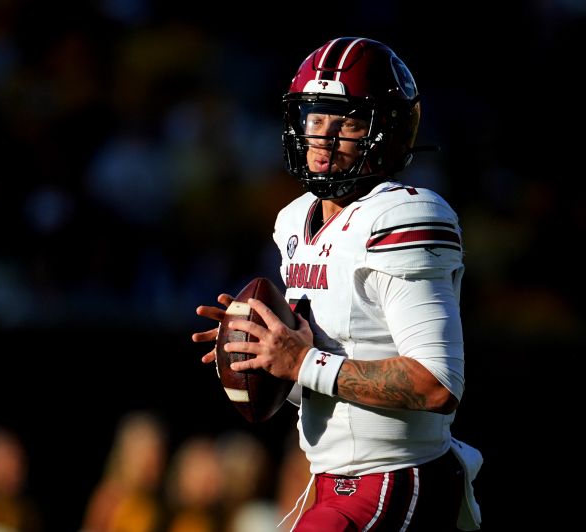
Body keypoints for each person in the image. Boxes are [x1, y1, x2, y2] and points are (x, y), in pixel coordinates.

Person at [192, 36, 481, 531]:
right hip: (328, 479)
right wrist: (265, 358)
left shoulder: (405, 214)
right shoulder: (292, 220)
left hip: (396, 477)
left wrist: (302, 361)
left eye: (347, 121)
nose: (323, 138)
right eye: (315, 118)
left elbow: (436, 385)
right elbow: (333, 378)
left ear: (386, 130)